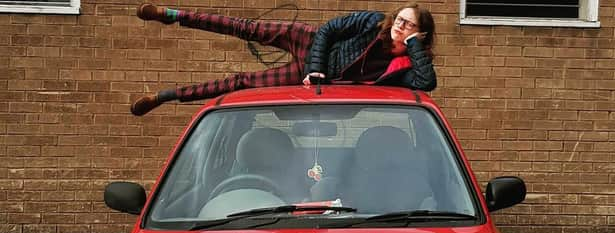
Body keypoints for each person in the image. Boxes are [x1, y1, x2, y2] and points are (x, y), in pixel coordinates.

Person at [131, 3, 437, 116]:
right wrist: (316, 67)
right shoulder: (373, 23)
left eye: (410, 25)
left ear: (421, 34)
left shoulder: (403, 66)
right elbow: (329, 29)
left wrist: (412, 48)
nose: (400, 25)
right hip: (310, 44)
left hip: (310, 77)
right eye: (400, 19)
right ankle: (173, 15)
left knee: (241, 84)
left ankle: (163, 97)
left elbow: (426, 84)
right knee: (245, 29)